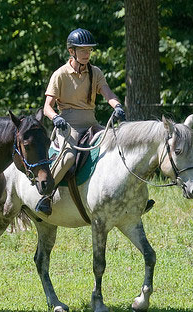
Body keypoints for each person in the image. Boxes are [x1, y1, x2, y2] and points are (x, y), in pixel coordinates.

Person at [35, 28, 126, 215]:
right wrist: (56, 118)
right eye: (82, 50)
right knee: (68, 157)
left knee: (120, 143)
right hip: (68, 125)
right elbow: (46, 108)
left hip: (92, 123)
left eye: (89, 50)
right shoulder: (60, 74)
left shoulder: (96, 72)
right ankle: (46, 197)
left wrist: (117, 106)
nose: (87, 54)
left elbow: (108, 94)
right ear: (71, 51)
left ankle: (130, 194)